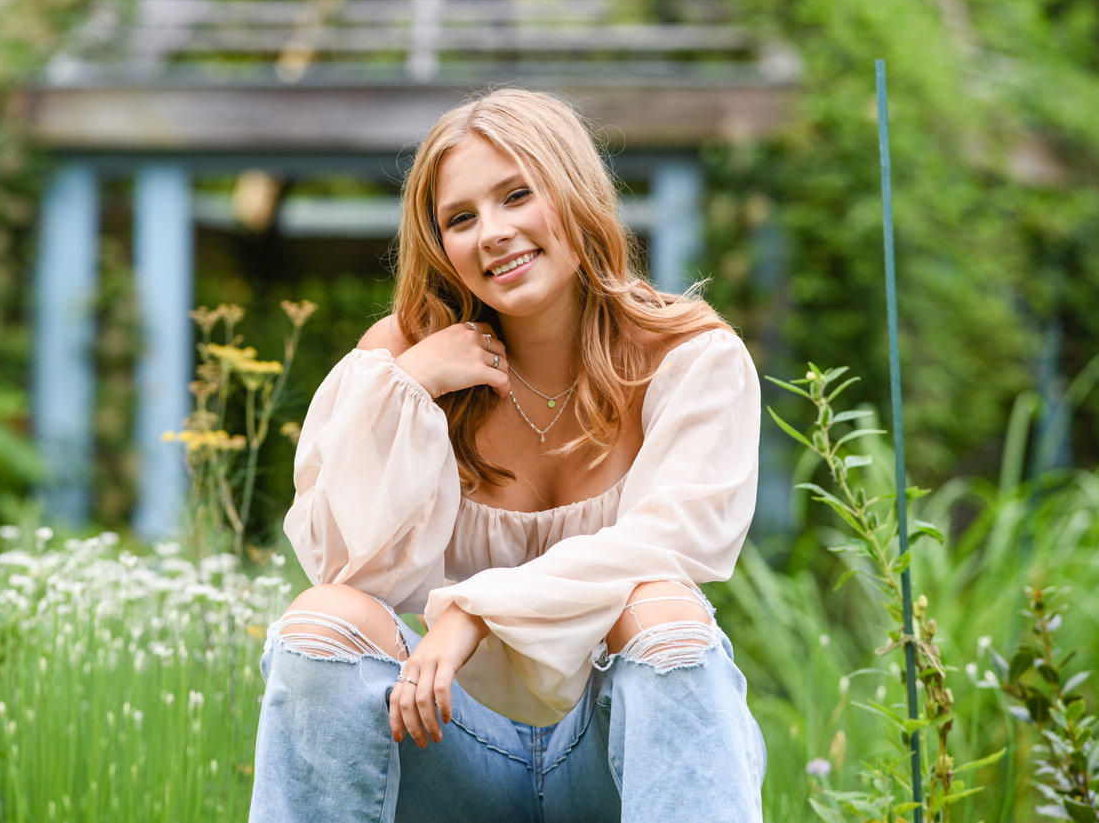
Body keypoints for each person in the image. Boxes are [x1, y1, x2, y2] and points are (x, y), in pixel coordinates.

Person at [248, 88, 766, 822]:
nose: (492, 233)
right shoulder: (399, 365)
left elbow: (677, 544)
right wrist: (412, 386)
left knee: (664, 612)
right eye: (461, 218)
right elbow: (345, 565)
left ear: (573, 191)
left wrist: (473, 612)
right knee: (323, 618)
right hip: (450, 743)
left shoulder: (686, 356)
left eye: (516, 195)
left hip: (611, 747)